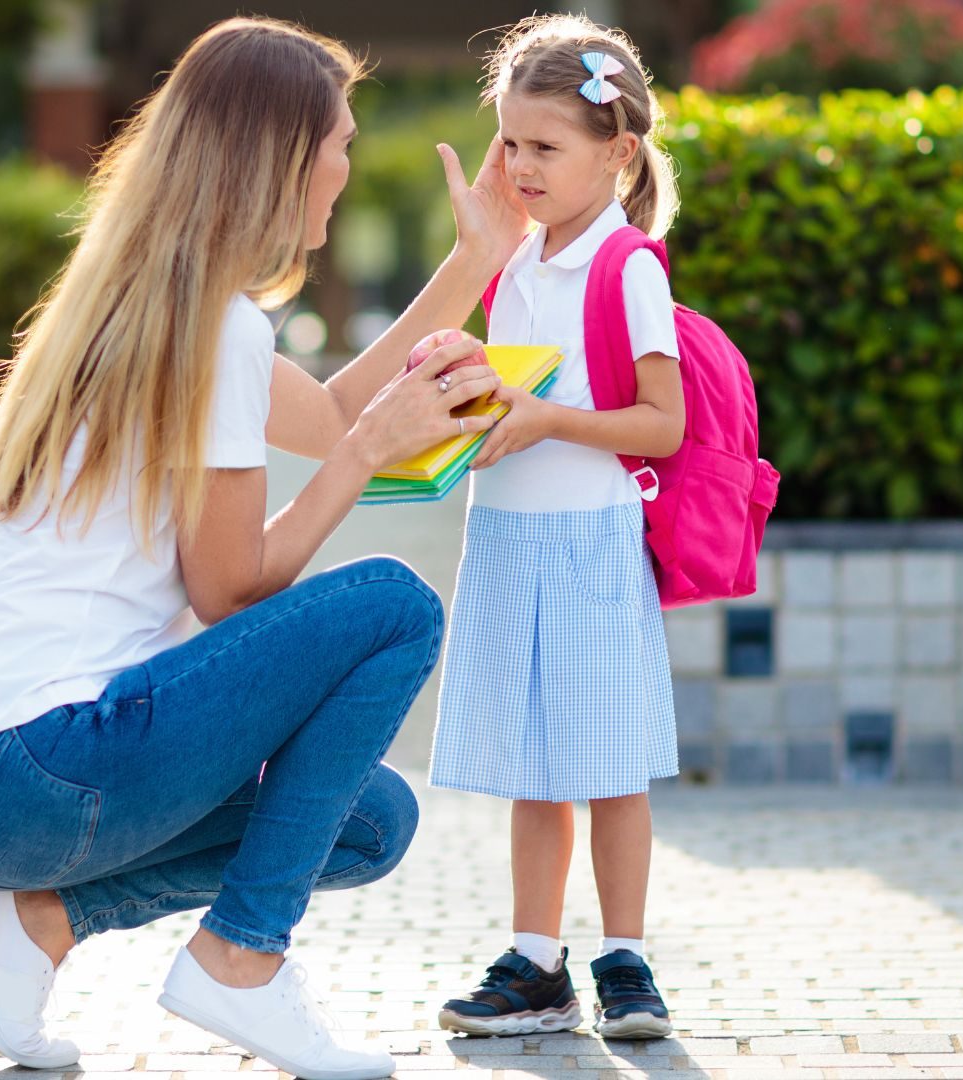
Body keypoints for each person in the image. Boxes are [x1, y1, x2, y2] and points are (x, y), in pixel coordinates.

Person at [0, 17, 526, 1080]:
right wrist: (372, 454)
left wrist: (477, 260)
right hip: (41, 768)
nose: (344, 164)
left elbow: (330, 415)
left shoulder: (144, 302)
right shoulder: (215, 329)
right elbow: (233, 587)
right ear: (278, 156)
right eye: (336, 140)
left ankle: (41, 923)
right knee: (394, 605)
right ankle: (242, 961)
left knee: (368, 821)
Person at [430, 14, 684, 1042]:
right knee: (536, 770)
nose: (521, 167)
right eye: (511, 145)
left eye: (545, 147)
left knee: (609, 768)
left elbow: (662, 426)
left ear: (616, 152)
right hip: (506, 538)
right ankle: (537, 962)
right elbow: (507, 391)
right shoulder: (512, 262)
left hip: (588, 543)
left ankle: (626, 958)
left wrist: (544, 420)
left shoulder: (629, 268)